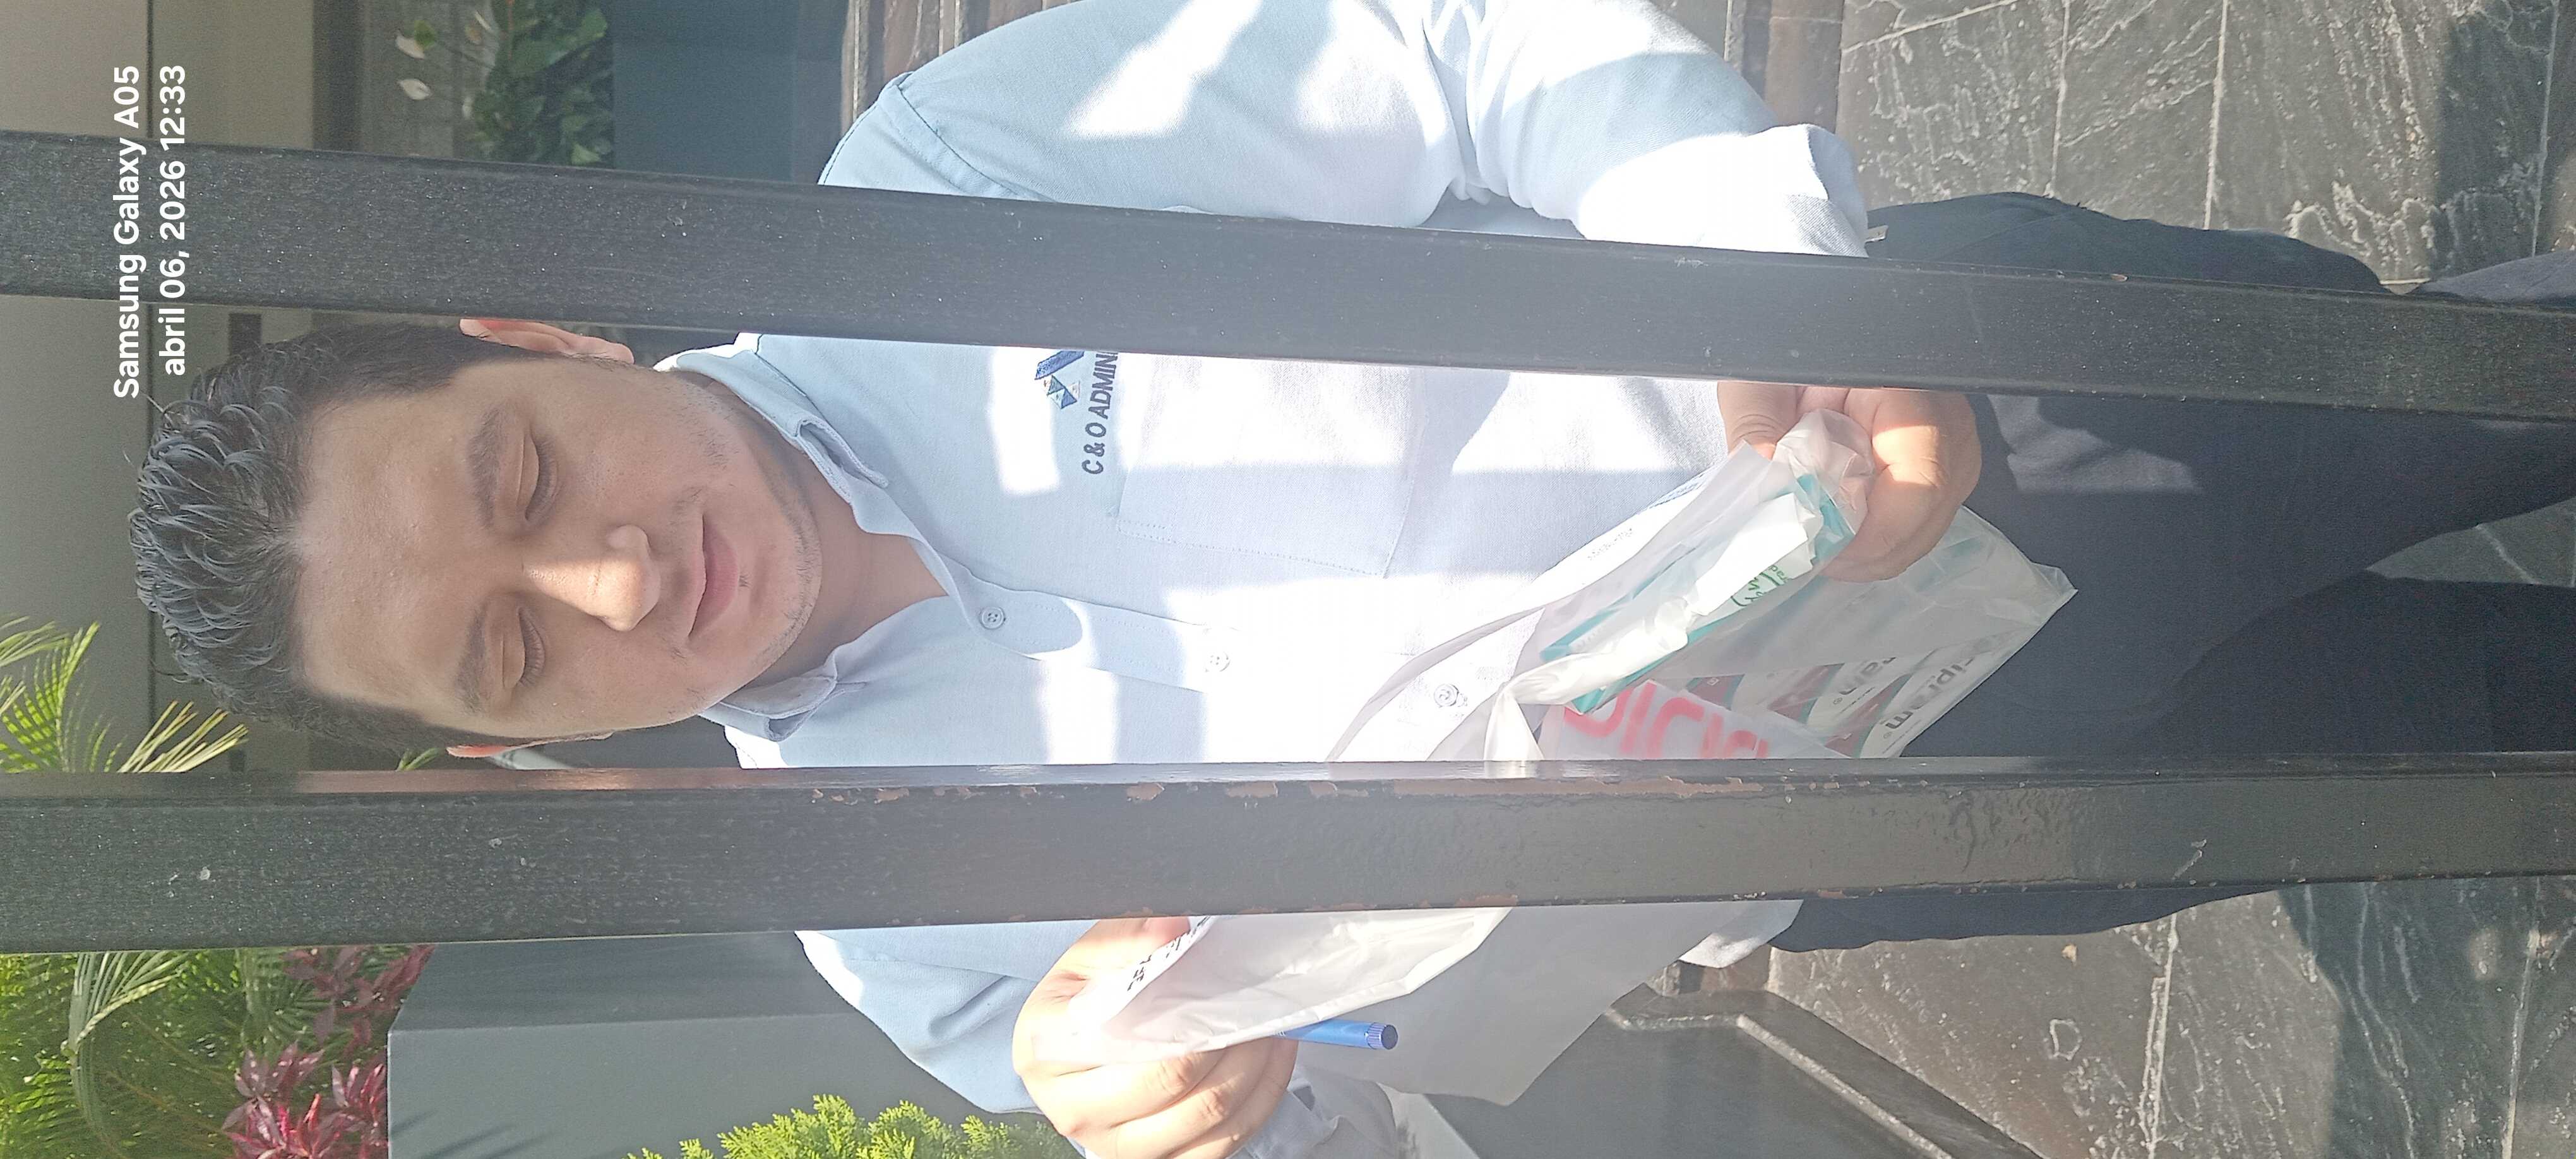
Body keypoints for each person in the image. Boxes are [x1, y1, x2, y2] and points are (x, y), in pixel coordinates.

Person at [126, 0, 2576, 1155]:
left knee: (2504, 393)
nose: (611, 579)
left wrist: (1764, 274)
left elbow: (1454, 50)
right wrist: (1207, 1127)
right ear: (501, 750)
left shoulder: (937, 189)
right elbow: (1384, 1130)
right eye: (511, 646)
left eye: (529, 473)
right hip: (1874, 816)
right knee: (2488, 743)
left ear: (540, 343)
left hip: (1947, 401)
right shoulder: (912, 934)